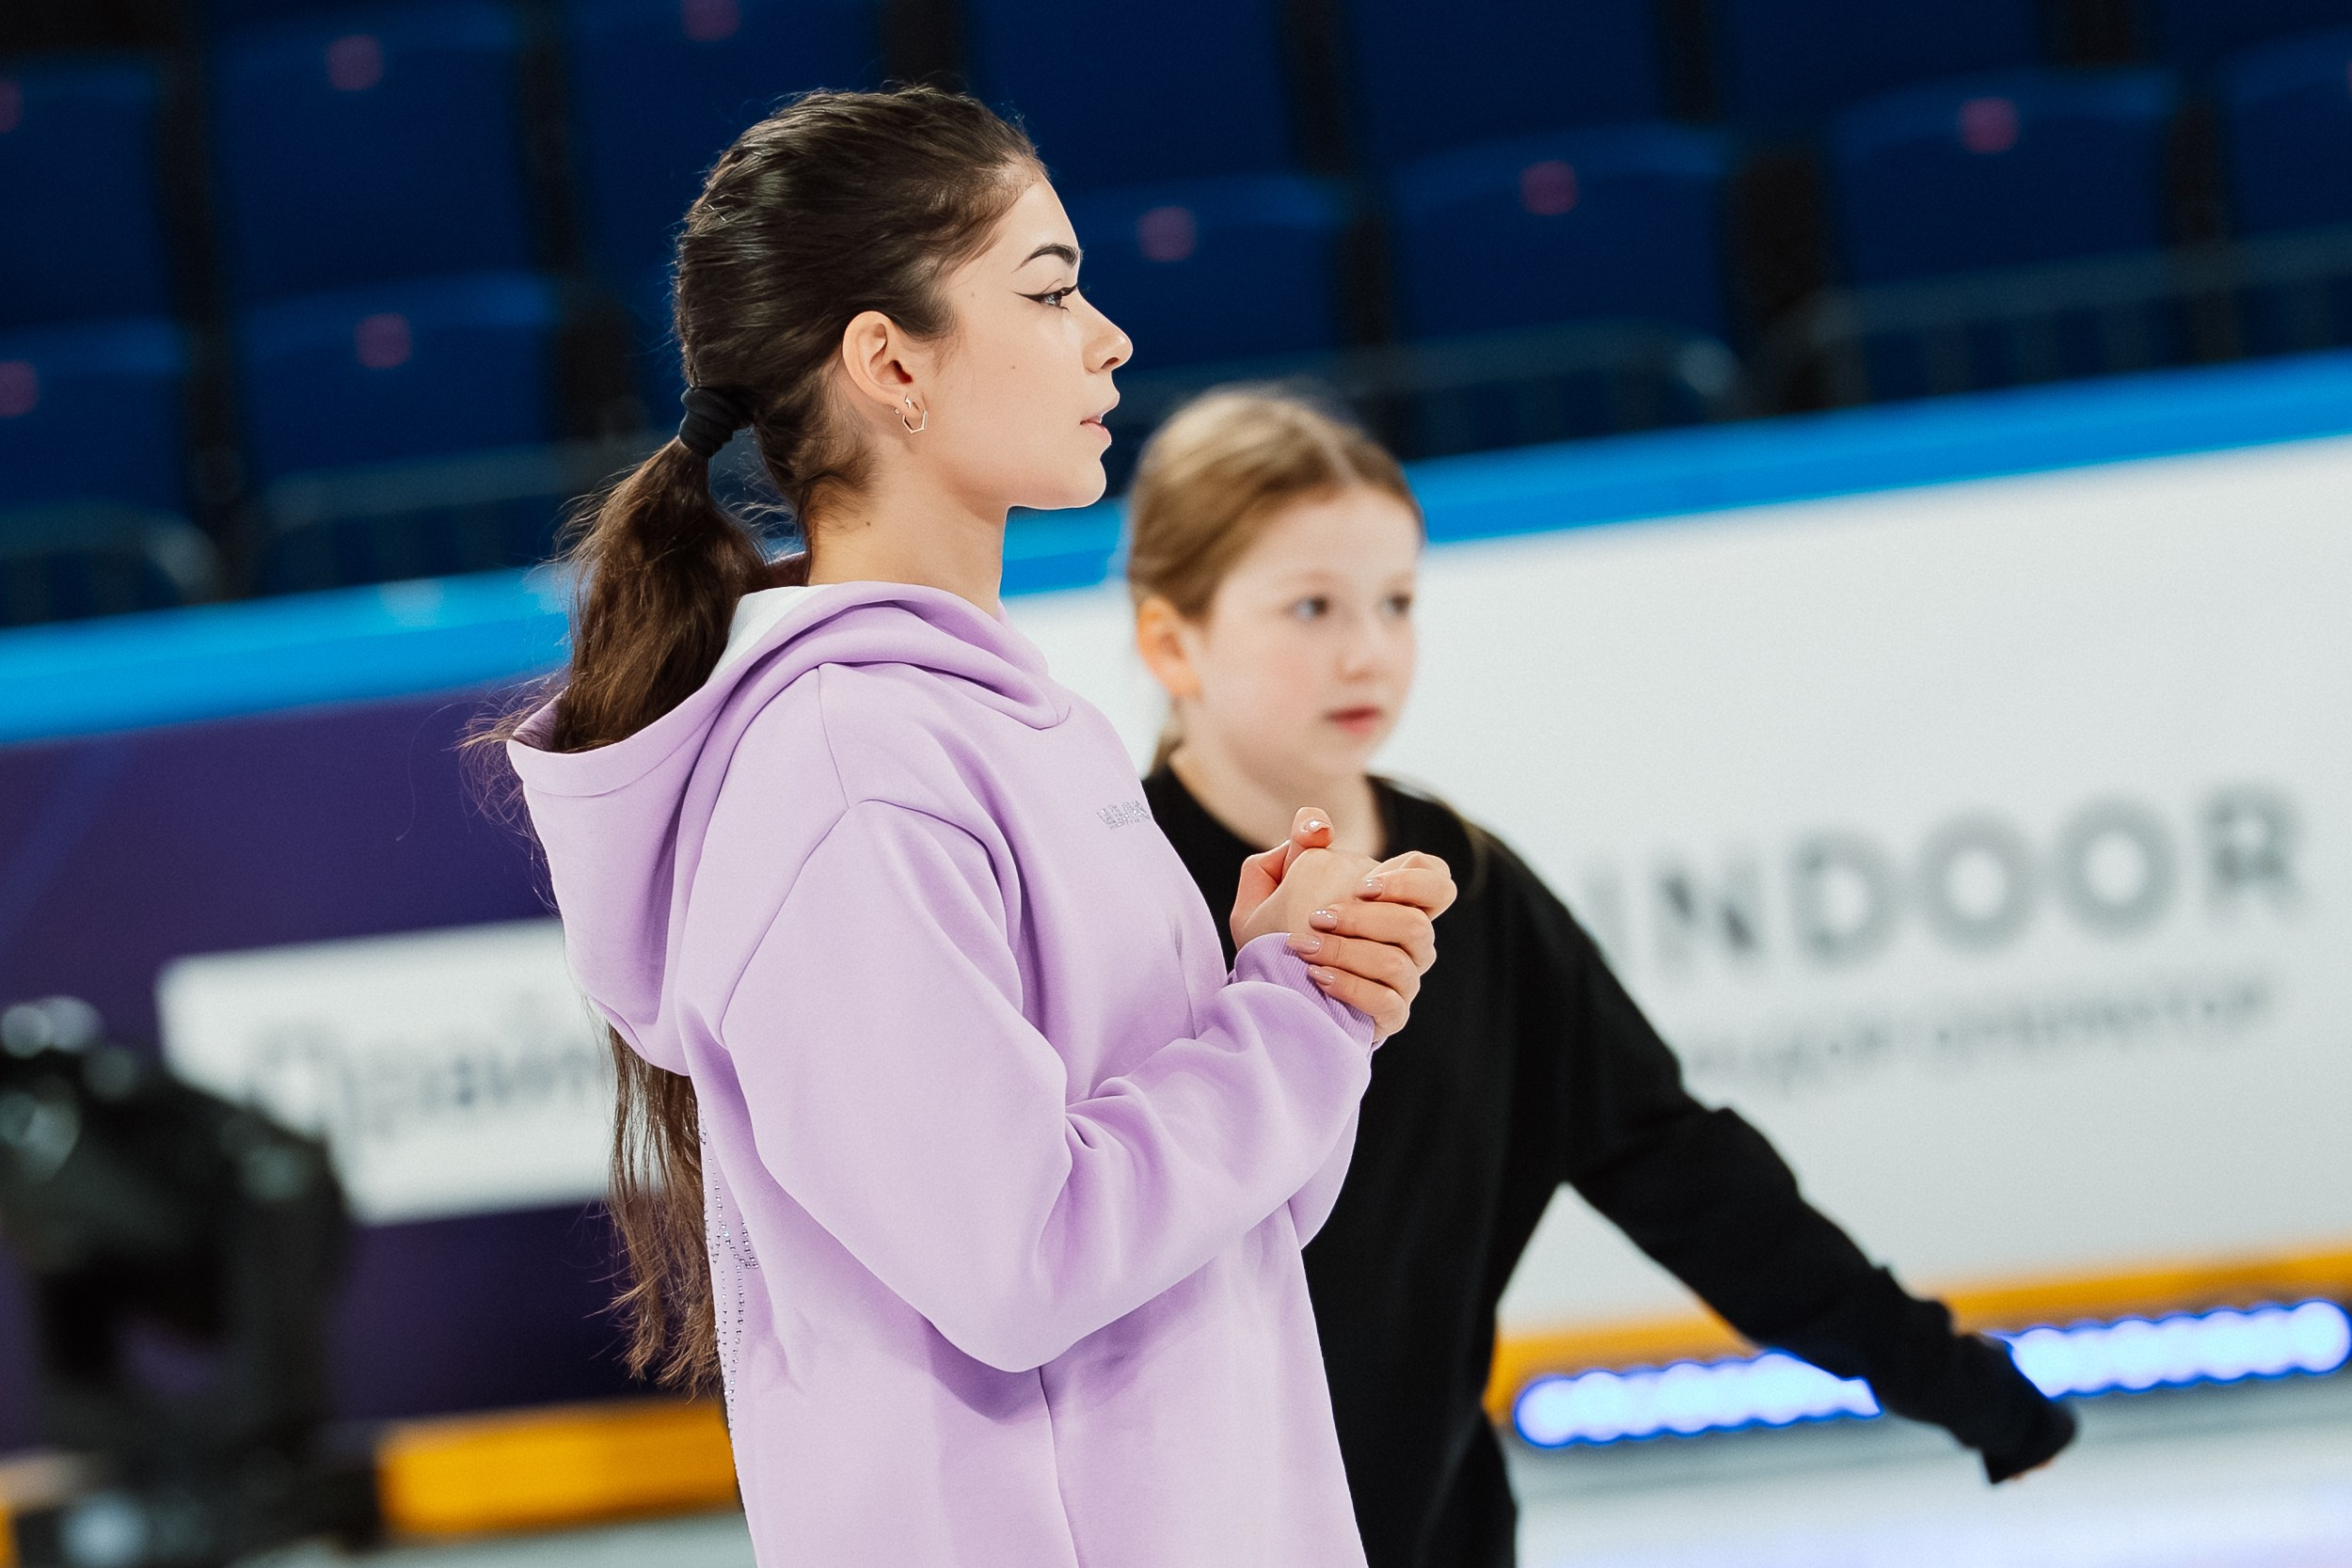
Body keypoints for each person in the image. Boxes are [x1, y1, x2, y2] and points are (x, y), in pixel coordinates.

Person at [488, 92, 1455, 1566]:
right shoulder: (847, 773)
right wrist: (1287, 1026)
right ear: (892, 363)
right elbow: (1022, 1260)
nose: (1107, 338)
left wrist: (1302, 988)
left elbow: (1217, 1230)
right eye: (1051, 290)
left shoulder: (1022, 723)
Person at [1125, 389, 2078, 1568]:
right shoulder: (1119, 888)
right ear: (1172, 641)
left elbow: (1679, 1167)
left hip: (1437, 1526)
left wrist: (1945, 1373)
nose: (1367, 648)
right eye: (1312, 605)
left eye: (1396, 601)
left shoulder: (1468, 880)